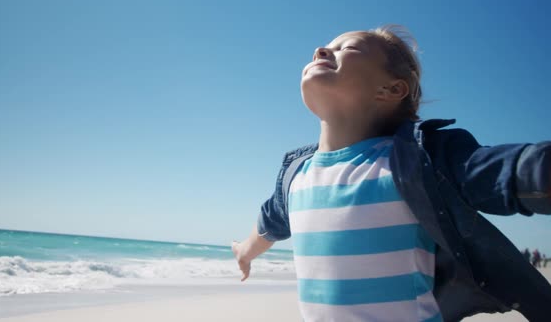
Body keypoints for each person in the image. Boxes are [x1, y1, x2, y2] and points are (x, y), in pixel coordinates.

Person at [231, 25, 551, 322]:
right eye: (326, 46)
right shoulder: (295, 176)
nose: (321, 50)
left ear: (391, 89)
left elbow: (510, 171)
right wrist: (244, 252)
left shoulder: (414, 159)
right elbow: (269, 224)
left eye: (347, 48)